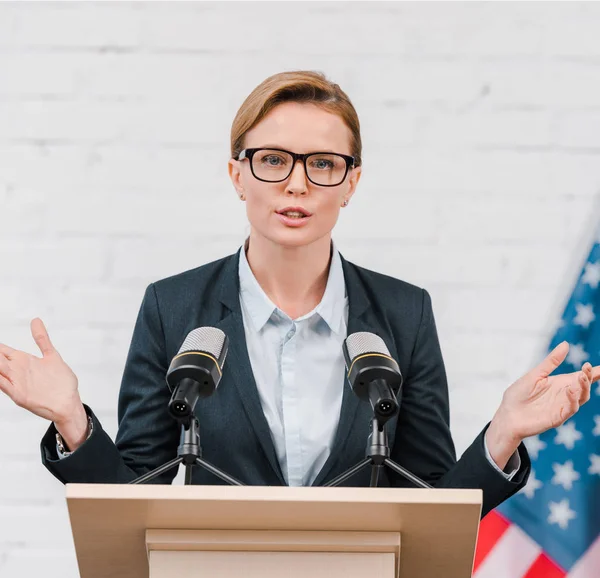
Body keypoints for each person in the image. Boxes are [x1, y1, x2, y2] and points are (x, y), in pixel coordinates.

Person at [0, 71, 597, 518]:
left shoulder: (403, 313)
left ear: (352, 182)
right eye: (273, 160)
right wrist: (73, 422)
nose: (296, 183)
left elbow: (432, 505)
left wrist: (503, 434)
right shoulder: (173, 309)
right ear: (237, 175)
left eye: (323, 164)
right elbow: (134, 502)